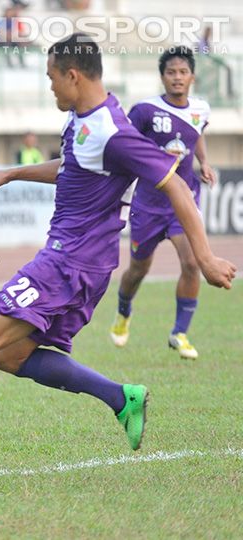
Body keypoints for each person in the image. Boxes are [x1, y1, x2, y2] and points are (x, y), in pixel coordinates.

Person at [0, 33, 236, 475]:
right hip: (75, 261)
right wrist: (13, 173)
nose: (51, 87)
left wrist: (206, 257)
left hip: (70, 263)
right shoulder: (86, 120)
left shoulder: (112, 131)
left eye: (52, 78)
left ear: (73, 76)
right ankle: (121, 398)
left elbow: (174, 182)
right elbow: (73, 166)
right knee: (10, 356)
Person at [110, 47, 215, 360]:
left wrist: (204, 162)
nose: (177, 77)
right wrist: (154, 157)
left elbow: (196, 135)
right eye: (171, 72)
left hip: (182, 201)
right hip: (148, 204)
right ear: (163, 77)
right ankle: (123, 313)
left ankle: (179, 333)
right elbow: (125, 144)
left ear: (192, 77)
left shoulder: (201, 109)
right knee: (139, 268)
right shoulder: (145, 110)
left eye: (183, 72)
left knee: (193, 262)